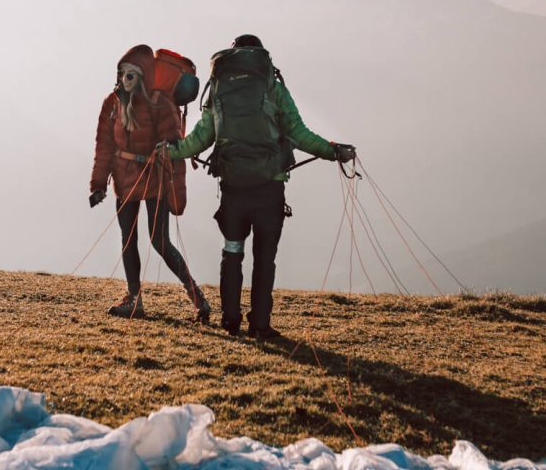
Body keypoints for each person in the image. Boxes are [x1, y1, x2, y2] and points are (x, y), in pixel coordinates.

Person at [163, 35, 355, 339]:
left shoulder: (220, 86)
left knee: (232, 252)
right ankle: (260, 324)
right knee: (265, 258)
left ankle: (230, 321)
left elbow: (200, 138)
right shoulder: (272, 85)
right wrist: (333, 151)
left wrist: (169, 151)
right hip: (269, 188)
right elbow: (299, 133)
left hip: (233, 188)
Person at [90, 44, 212, 323]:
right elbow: (104, 146)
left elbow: (174, 142)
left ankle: (197, 298)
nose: (126, 79)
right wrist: (99, 184)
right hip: (123, 181)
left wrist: (168, 148)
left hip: (153, 180)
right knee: (128, 239)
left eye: (132, 74)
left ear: (143, 75)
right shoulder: (112, 103)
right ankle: (134, 299)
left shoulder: (159, 104)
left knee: (159, 241)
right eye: (123, 73)